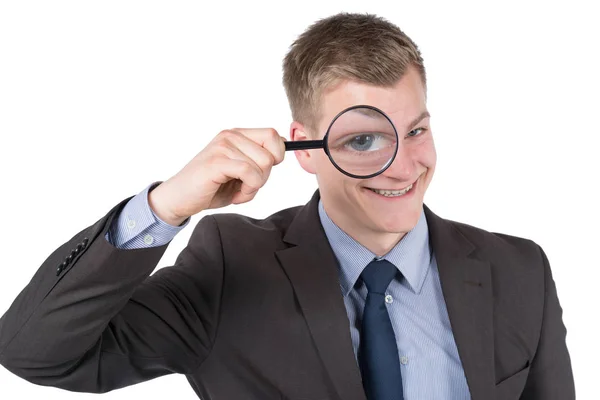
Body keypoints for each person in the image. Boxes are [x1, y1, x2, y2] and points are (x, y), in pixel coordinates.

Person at [0, 12, 574, 400]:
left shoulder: (518, 269)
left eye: (416, 131)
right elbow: (35, 354)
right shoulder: (231, 266)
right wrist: (165, 205)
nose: (403, 166)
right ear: (305, 147)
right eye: (363, 140)